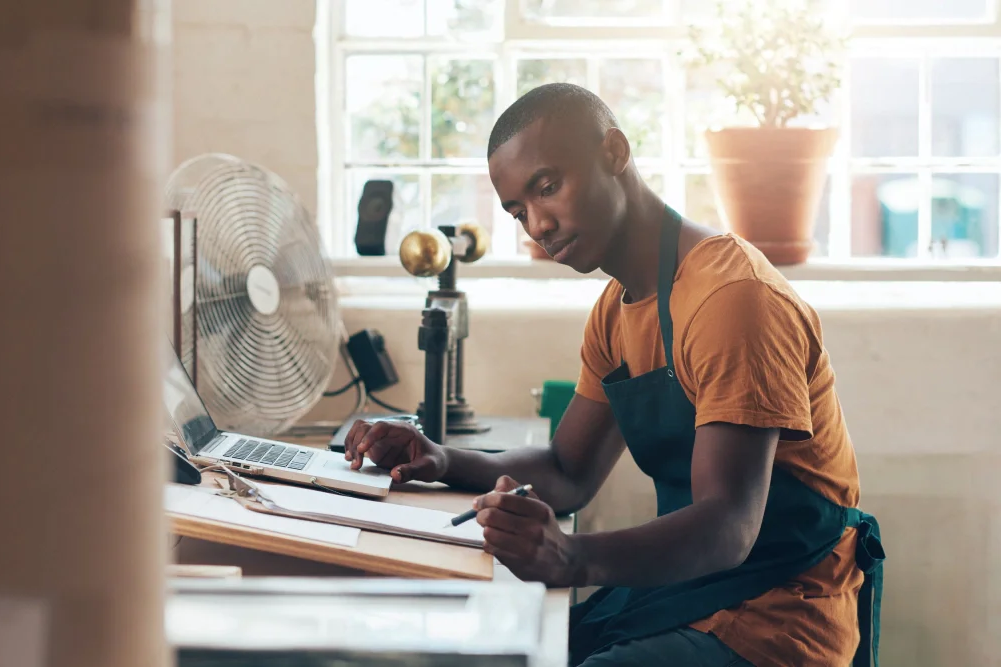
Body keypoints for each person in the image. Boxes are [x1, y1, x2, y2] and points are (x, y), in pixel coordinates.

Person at [343, 83, 884, 667]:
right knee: (487, 649)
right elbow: (567, 471)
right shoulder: (617, 309)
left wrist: (571, 556)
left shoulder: (732, 298)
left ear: (615, 153)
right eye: (518, 211)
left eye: (548, 187)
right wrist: (443, 460)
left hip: (777, 618)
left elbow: (729, 527)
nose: (538, 224)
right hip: (690, 595)